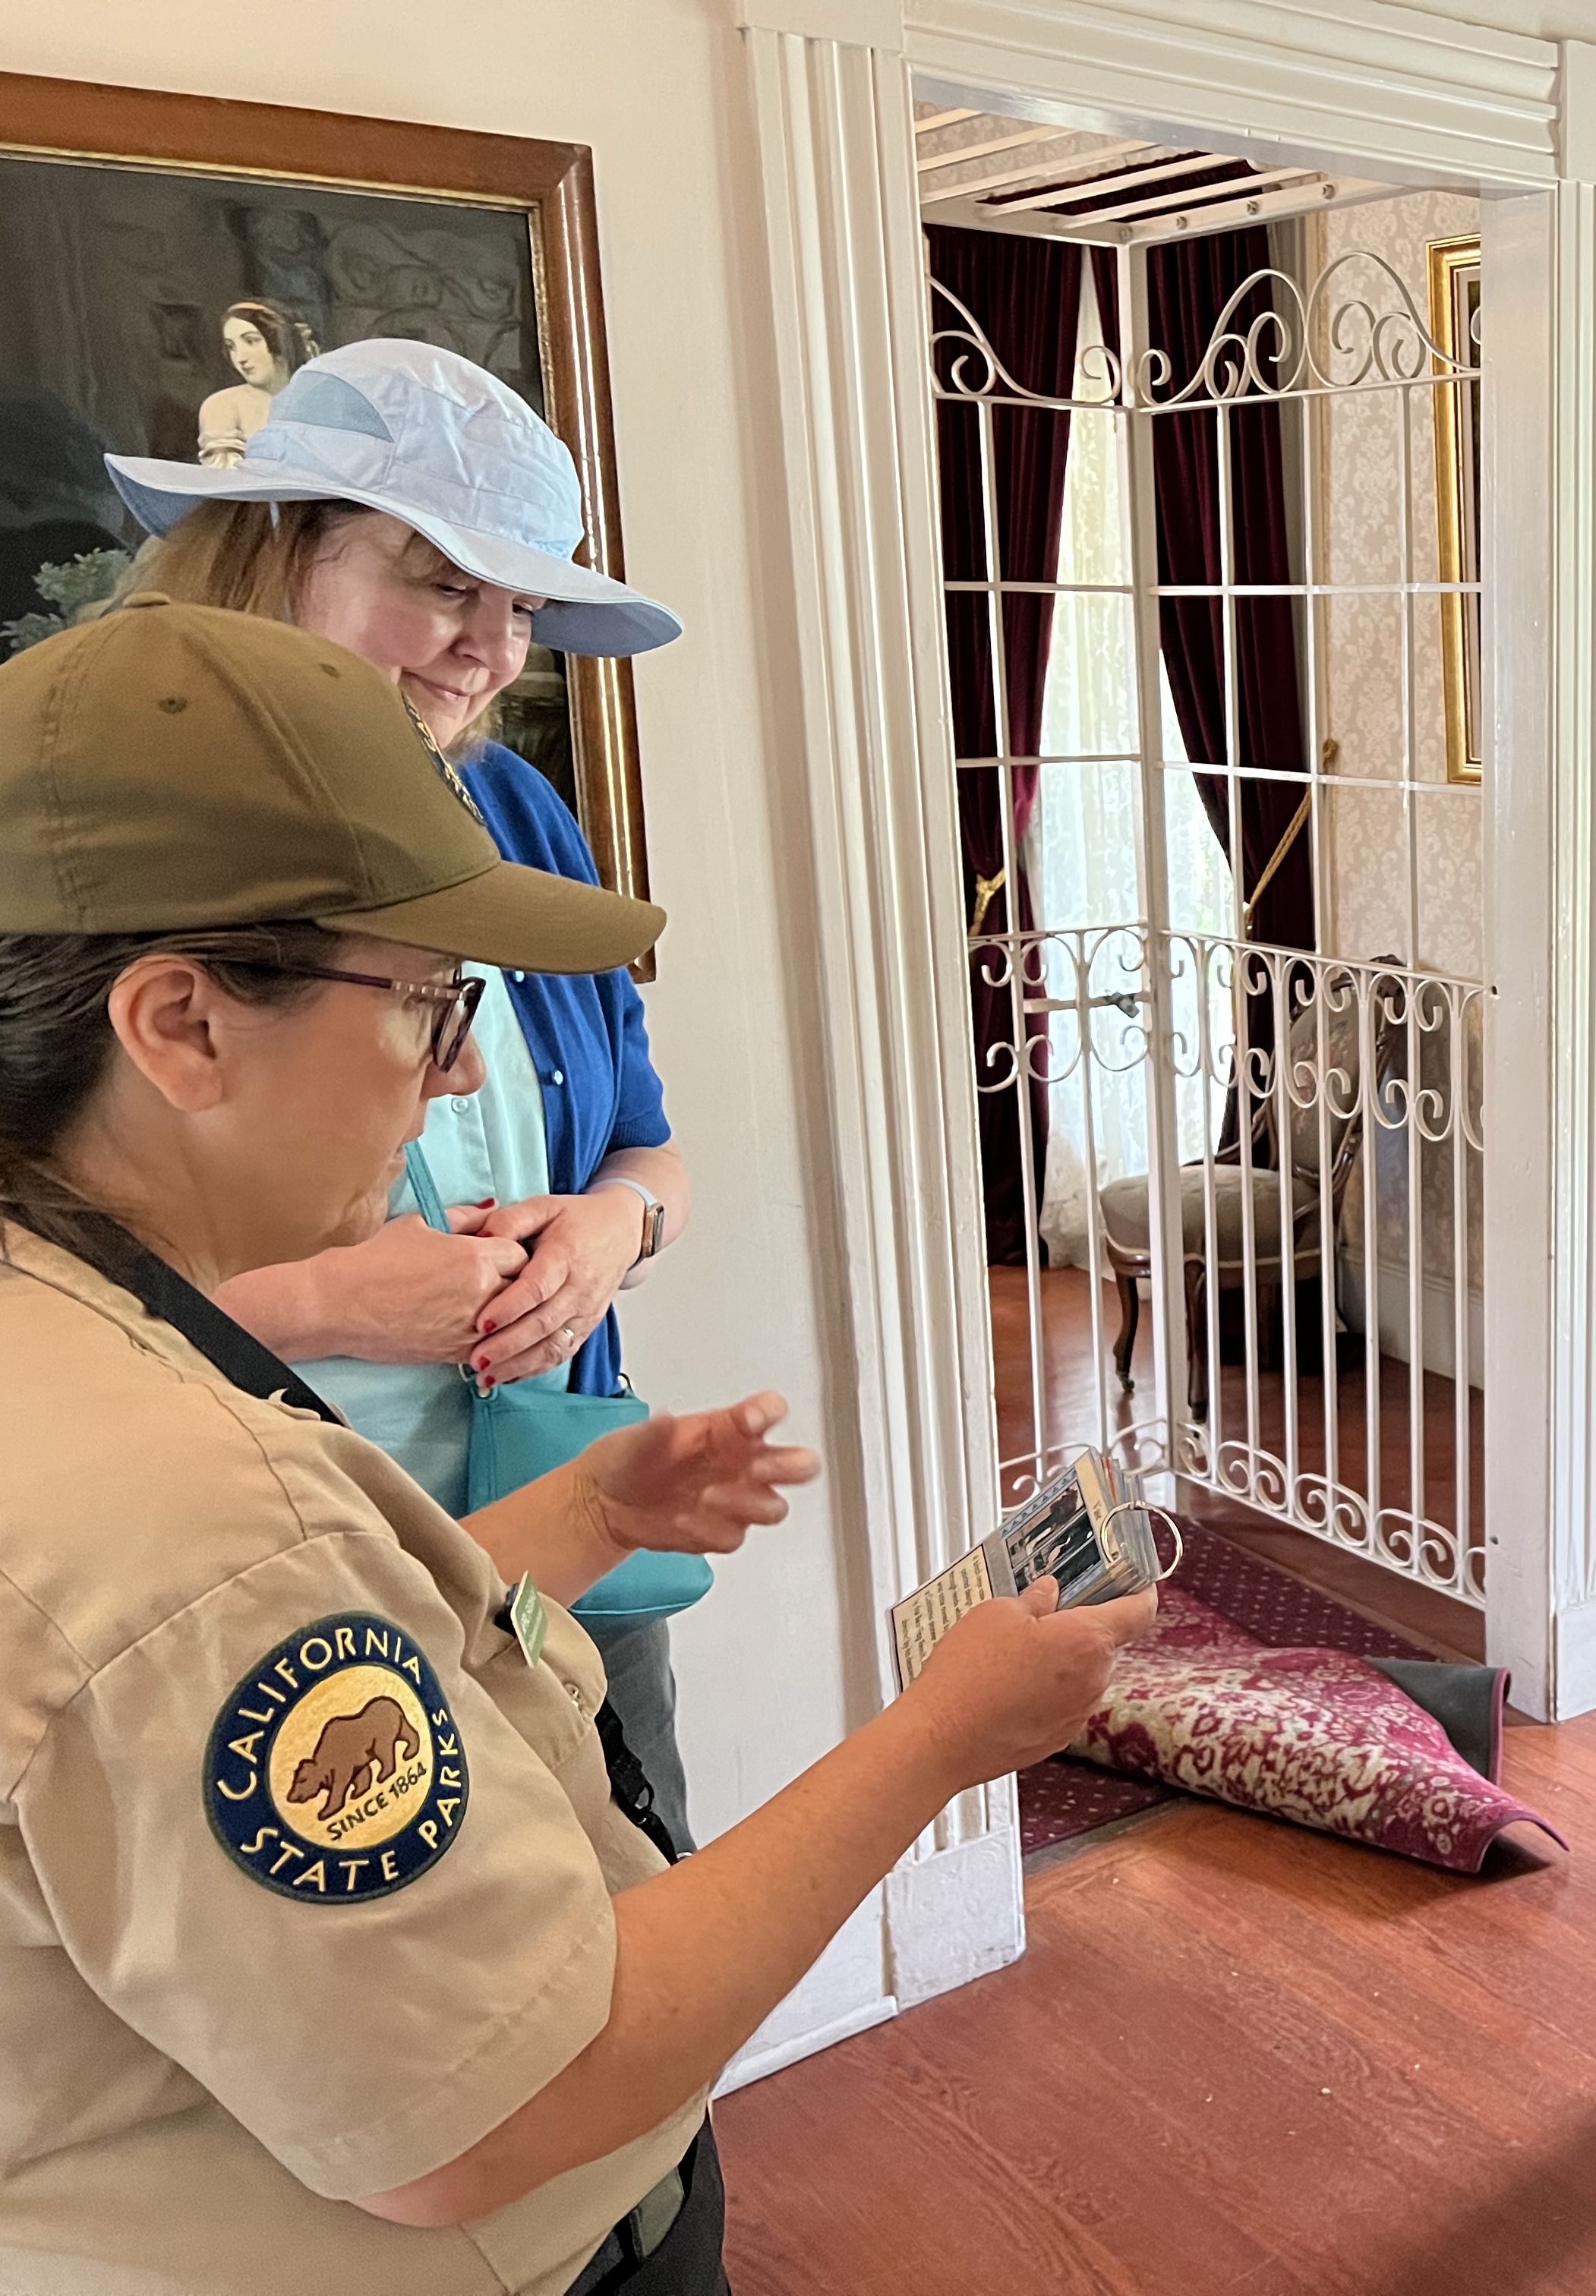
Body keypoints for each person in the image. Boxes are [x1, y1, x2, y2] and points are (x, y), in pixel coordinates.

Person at [0, 597, 1155, 2293]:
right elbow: (500, 2100)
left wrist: (590, 1511)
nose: (461, 1069)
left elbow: (267, 1691)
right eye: (423, 1003)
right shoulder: (190, 1517)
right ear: (181, 1024)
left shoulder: (79, 1333)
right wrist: (936, 1741)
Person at [106, 337, 707, 1844]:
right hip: (273, 1560)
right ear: (276, 545)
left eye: (525, 609)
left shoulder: (512, 807)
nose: (493, 653)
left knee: (637, 1893)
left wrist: (607, 1238)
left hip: (560, 1534)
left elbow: (647, 1147)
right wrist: (326, 1306)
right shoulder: (110, 845)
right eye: (445, 585)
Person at [195, 299, 317, 467]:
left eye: (251, 341)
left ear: (281, 341)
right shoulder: (223, 405)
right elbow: (223, 476)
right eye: (231, 347)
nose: (240, 358)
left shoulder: (320, 398)